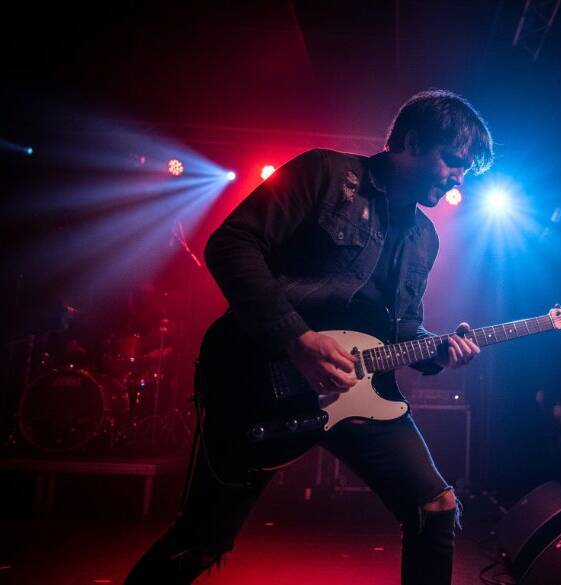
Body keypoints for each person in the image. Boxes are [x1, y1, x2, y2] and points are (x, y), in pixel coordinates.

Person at [125, 90, 494, 585]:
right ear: (412, 140)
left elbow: (402, 328)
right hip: (257, 376)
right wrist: (296, 339)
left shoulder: (424, 237)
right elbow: (231, 245)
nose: (458, 178)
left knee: (436, 506)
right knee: (202, 538)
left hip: (359, 393)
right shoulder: (325, 174)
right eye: (453, 162)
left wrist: (439, 350)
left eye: (467, 171)